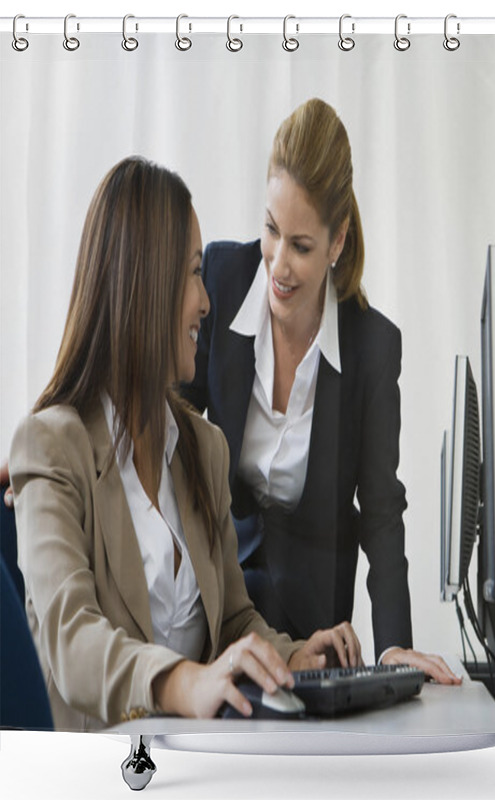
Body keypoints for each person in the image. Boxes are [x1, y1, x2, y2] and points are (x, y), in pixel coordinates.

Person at [8, 156, 362, 731]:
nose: (206, 301)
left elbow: (233, 621)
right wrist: (183, 681)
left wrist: (295, 657)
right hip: (99, 772)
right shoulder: (52, 447)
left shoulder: (202, 448)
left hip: (198, 766)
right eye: (193, 274)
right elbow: (71, 641)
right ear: (144, 285)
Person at [182, 98, 458, 684]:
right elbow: (169, 423)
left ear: (336, 244)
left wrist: (394, 649)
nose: (277, 265)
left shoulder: (371, 348)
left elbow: (382, 512)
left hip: (315, 635)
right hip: (217, 613)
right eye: (270, 230)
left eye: (301, 246)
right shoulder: (222, 282)